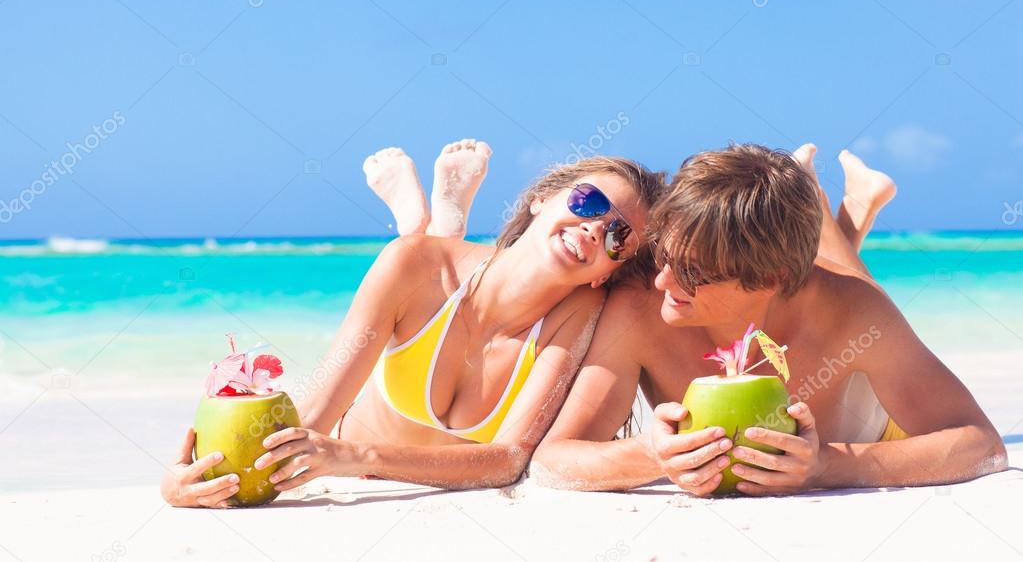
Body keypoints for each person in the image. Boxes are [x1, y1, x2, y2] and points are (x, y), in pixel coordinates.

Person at [160, 141, 664, 507]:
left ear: (609, 274)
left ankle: (441, 221)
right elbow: (313, 411)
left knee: (426, 255)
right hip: (372, 395)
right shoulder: (413, 268)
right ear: (542, 199)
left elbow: (508, 459)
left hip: (359, 452)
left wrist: (356, 456)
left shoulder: (579, 317)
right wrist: (185, 481)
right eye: (588, 203)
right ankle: (430, 226)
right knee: (415, 252)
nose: (595, 229)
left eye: (619, 237)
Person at [530, 143, 1007, 495]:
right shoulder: (640, 308)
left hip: (865, 422)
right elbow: (553, 460)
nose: (663, 283)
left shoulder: (853, 311)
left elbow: (981, 445)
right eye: (662, 257)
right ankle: (825, 200)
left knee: (850, 280)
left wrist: (827, 465)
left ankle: (824, 203)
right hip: (791, 278)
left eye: (694, 274)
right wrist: (649, 456)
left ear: (769, 279)